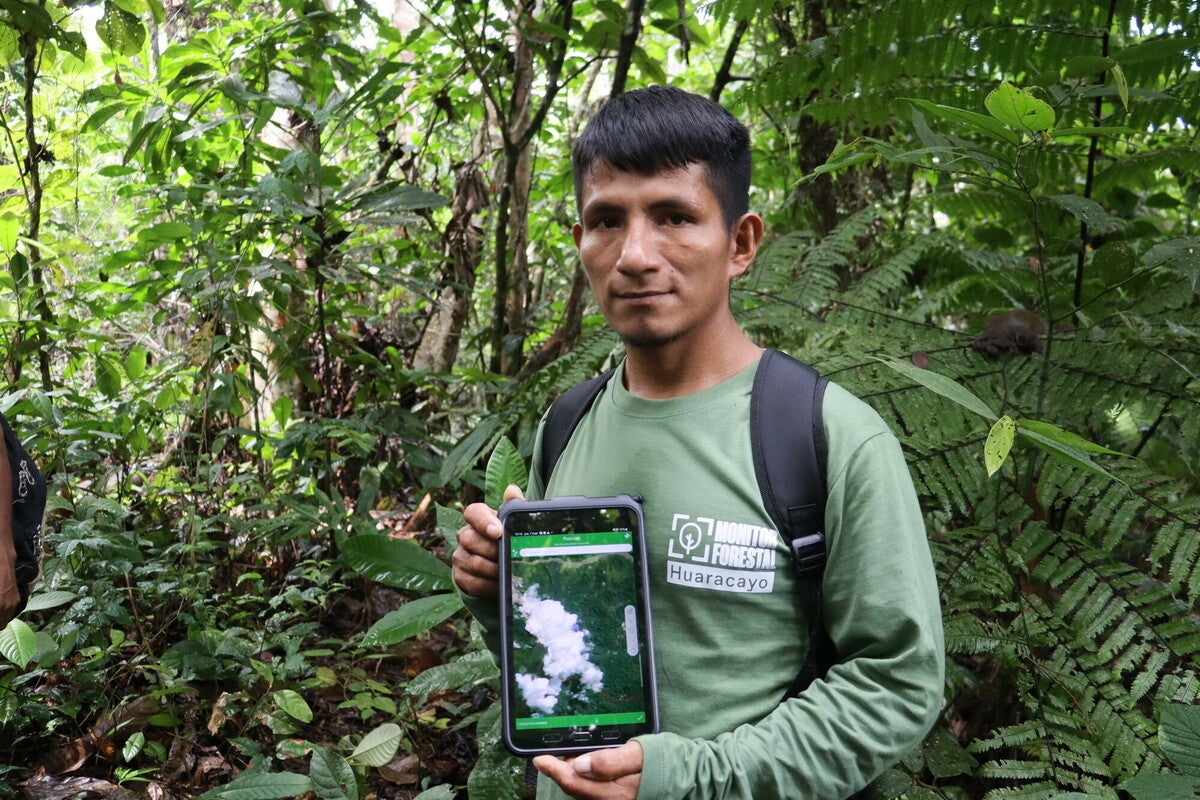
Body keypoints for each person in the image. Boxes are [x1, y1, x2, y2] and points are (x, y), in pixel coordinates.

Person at [453, 85, 944, 800]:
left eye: (675, 217)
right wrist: (501, 595)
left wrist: (689, 778)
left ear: (740, 242)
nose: (636, 255)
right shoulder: (567, 423)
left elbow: (898, 683)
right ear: (580, 242)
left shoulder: (830, 439)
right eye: (607, 221)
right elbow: (572, 664)